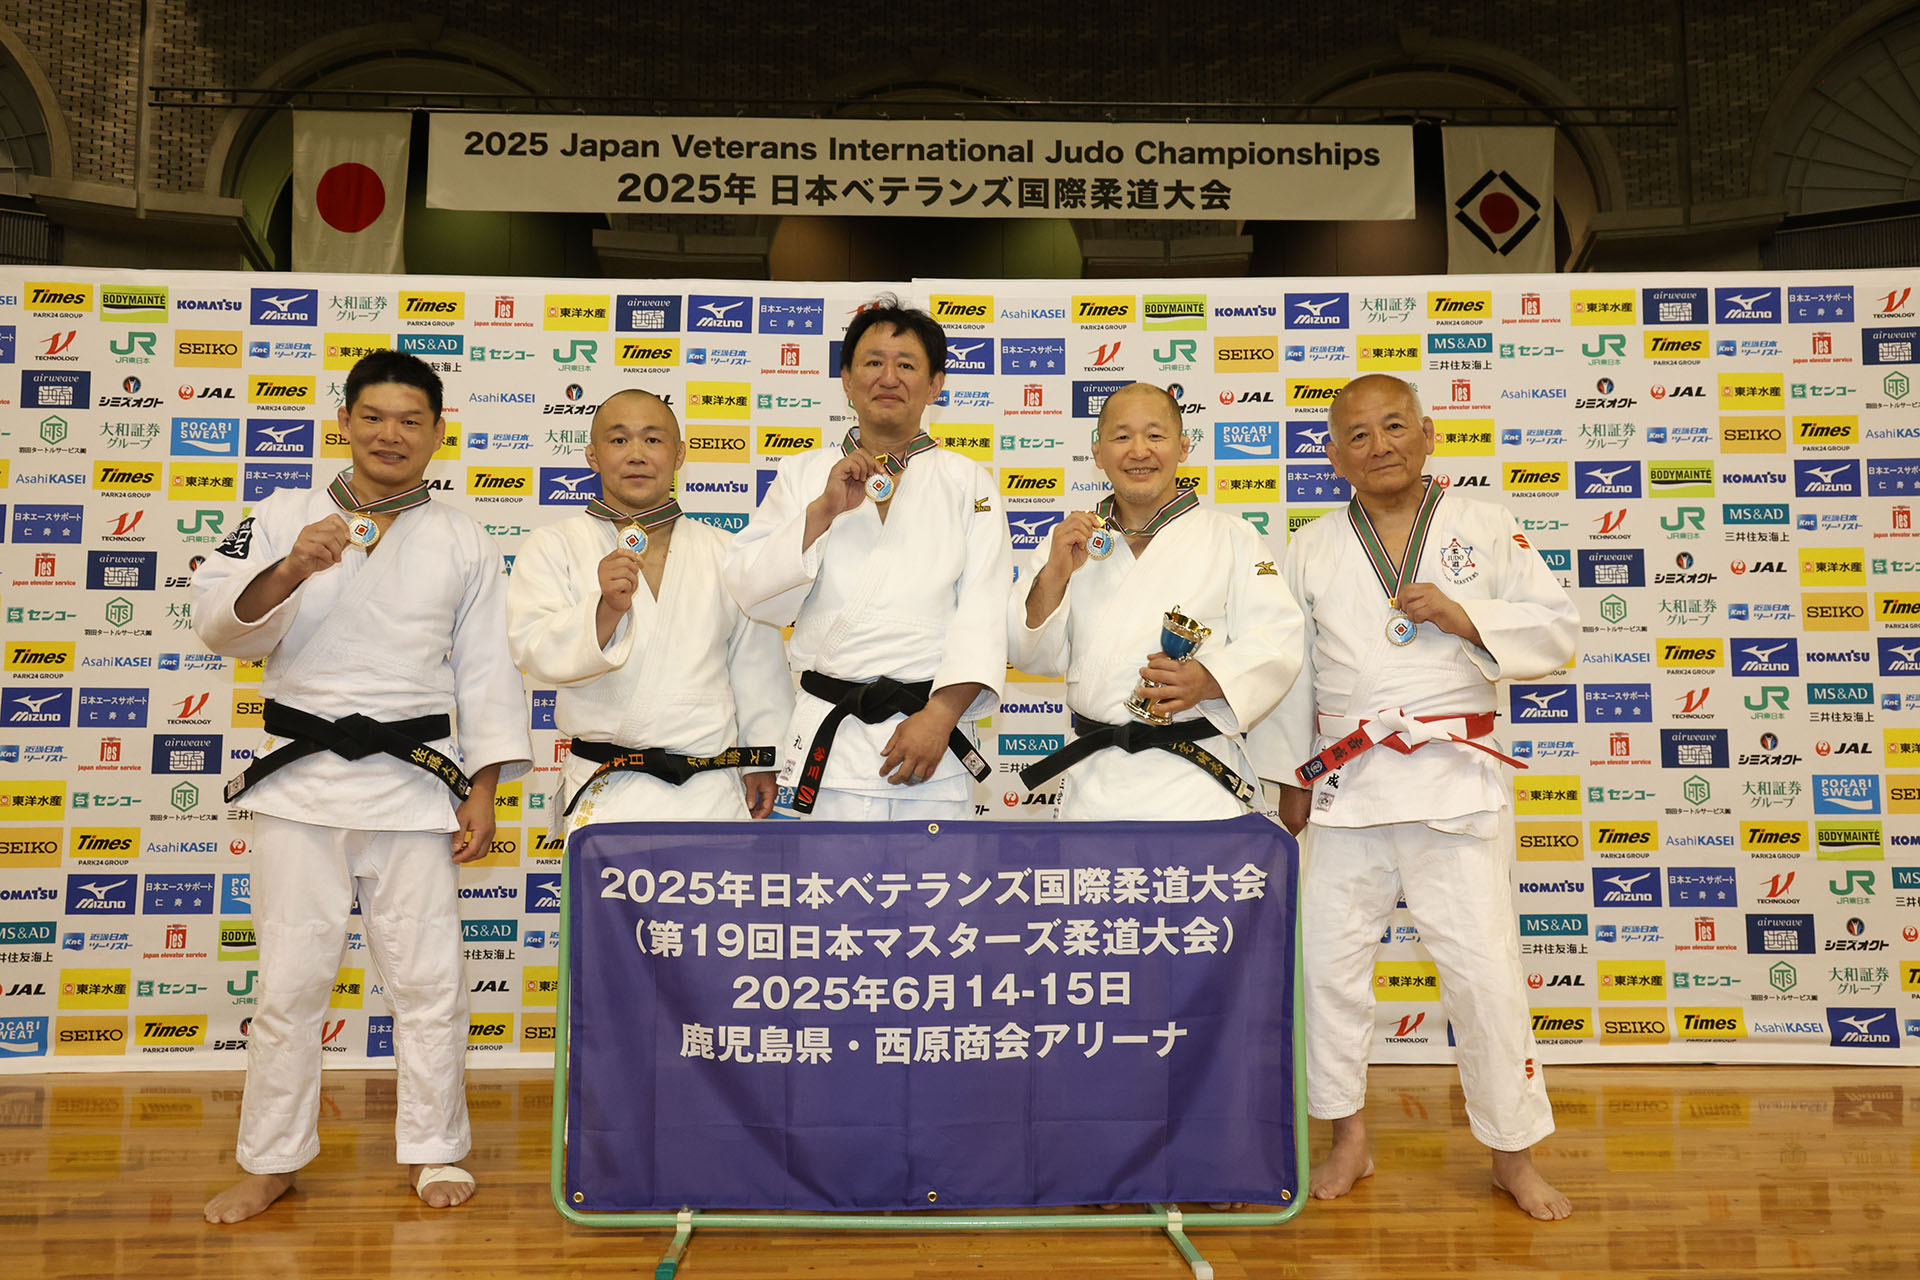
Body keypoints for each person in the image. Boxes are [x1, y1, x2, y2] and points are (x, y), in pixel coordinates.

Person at [192, 350, 532, 1222]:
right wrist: (290, 569)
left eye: (411, 421)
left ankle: (435, 1148)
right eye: (373, 417)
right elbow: (217, 626)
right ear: (343, 421)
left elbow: (487, 672)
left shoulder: (462, 537)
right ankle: (271, 1159)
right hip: (299, 786)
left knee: (429, 981)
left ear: (437, 433)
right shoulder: (283, 514)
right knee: (289, 983)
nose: (391, 435)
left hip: (413, 786)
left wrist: (484, 788)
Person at [1254, 373, 1578, 1221]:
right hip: (1348, 783)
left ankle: (1513, 1154)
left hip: (1454, 782)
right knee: (1330, 975)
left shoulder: (1486, 524)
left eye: (1394, 426)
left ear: (1428, 435)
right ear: (1334, 457)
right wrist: (1290, 777)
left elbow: (1557, 629)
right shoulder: (1310, 546)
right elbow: (1290, 671)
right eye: (1358, 435)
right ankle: (1348, 1139)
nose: (1380, 446)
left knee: (1486, 977)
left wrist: (1467, 617)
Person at [722, 296, 1010, 821]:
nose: (888, 377)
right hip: (828, 742)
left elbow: (985, 611)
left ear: (935, 385)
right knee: (824, 877)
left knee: (932, 875)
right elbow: (754, 594)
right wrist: (824, 510)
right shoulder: (803, 474)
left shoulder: (968, 481)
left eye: (907, 365)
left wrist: (942, 715)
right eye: (873, 362)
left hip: (928, 740)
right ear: (847, 380)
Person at [1008, 382, 1304, 818]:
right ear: (1097, 453)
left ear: (1183, 447)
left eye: (1155, 435)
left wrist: (1209, 679)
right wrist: (1055, 574)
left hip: (1195, 785)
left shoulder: (1232, 537)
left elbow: (1277, 639)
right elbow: (1027, 655)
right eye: (1121, 436)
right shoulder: (1070, 541)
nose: (1139, 451)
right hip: (1094, 784)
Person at [506, 389, 791, 827]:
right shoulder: (553, 546)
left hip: (708, 793)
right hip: (606, 788)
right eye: (619, 440)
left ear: (679, 455)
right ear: (592, 455)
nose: (636, 454)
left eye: (653, 440)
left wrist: (761, 759)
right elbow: (534, 650)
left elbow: (756, 665)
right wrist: (605, 610)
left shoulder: (726, 552)